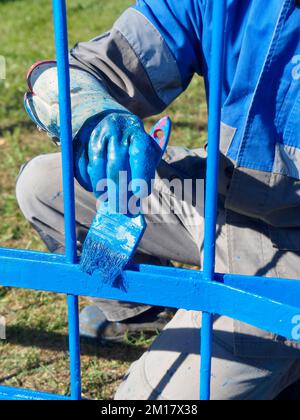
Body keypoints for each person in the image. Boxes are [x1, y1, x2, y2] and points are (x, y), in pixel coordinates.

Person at [17, 0, 300, 400]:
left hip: (287, 258)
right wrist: (87, 109)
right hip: (218, 192)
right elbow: (90, 67)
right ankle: (146, 314)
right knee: (44, 186)